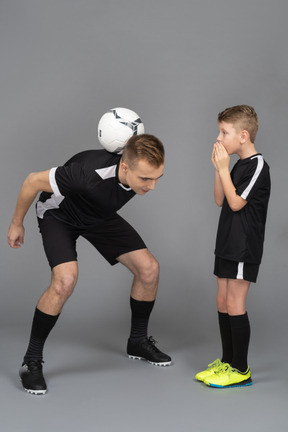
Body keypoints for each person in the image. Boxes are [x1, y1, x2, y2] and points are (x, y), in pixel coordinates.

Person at [8, 133, 172, 395]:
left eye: (157, 178)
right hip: (59, 215)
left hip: (98, 216)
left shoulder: (137, 164)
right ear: (125, 167)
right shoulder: (86, 174)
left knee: (149, 269)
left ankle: (138, 341)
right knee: (65, 281)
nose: (152, 187)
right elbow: (31, 181)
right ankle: (31, 361)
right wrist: (17, 223)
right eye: (145, 179)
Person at [195, 105, 270, 388]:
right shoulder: (236, 166)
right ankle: (227, 362)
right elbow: (220, 199)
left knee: (236, 303)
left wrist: (225, 168)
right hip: (226, 242)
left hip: (244, 247)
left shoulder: (259, 165)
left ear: (243, 135)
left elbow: (237, 203)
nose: (218, 137)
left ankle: (241, 370)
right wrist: (219, 169)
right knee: (222, 301)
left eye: (224, 132)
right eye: (219, 131)